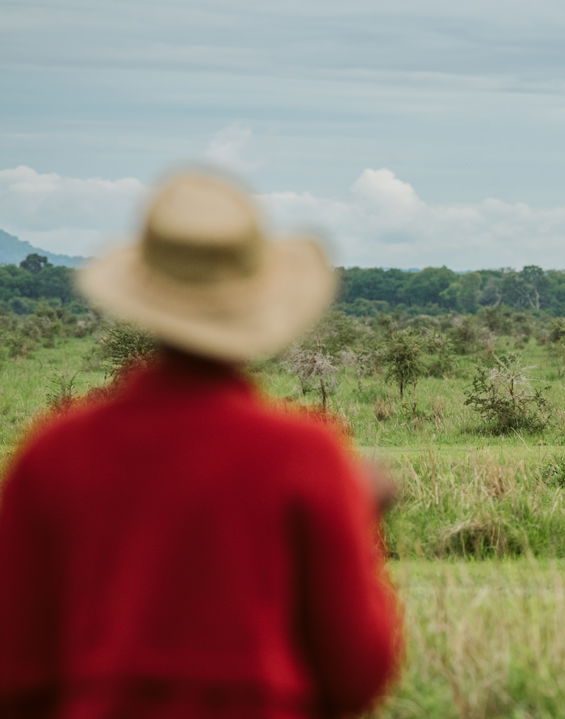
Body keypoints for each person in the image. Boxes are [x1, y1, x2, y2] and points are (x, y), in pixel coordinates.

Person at [0, 169, 402, 718]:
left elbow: (16, 674)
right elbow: (357, 675)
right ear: (260, 296)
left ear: (144, 290)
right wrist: (358, 520)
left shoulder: (55, 452)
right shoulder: (306, 454)